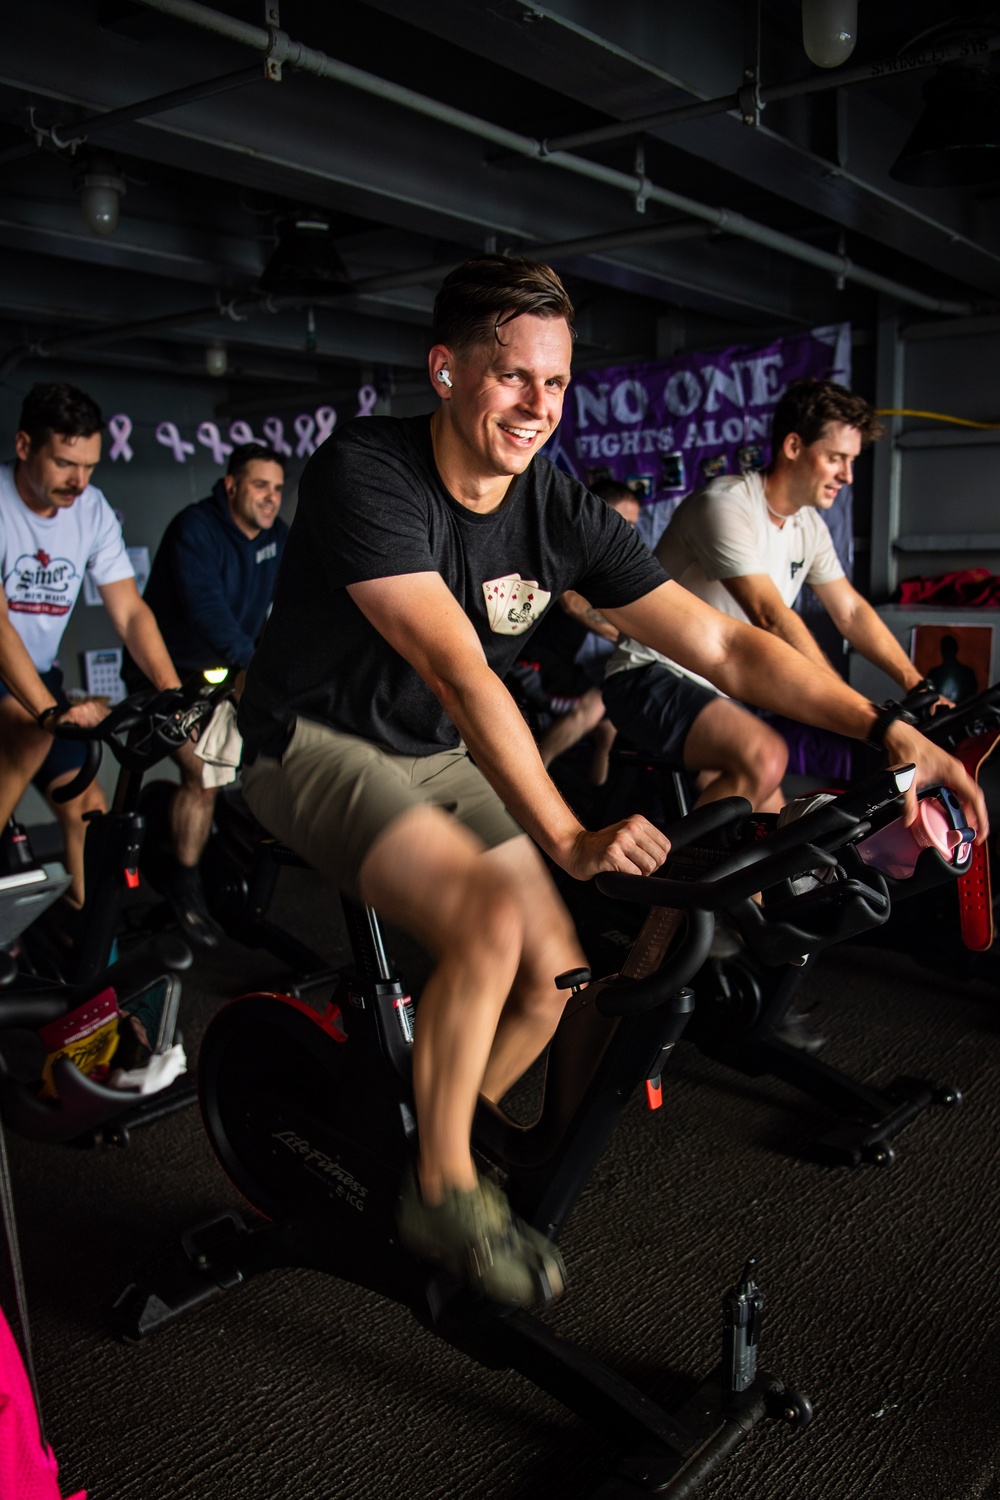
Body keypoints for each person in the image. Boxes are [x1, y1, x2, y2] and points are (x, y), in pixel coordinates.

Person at [236, 257, 986, 1310]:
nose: (537, 405)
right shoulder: (368, 469)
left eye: (554, 381)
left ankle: (410, 1139)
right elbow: (458, 671)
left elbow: (723, 648)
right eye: (510, 377)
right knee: (495, 917)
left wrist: (891, 729)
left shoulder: (555, 505)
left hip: (430, 747)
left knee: (553, 981)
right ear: (445, 371)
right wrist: (567, 833)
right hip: (304, 740)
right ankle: (437, 1190)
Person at [603, 378, 938, 812]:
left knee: (773, 831)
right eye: (836, 458)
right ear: (794, 446)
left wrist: (918, 685)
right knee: (766, 756)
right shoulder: (725, 505)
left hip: (716, 690)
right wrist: (862, 717)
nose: (848, 476)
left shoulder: (808, 528)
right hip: (646, 676)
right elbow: (770, 616)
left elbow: (852, 612)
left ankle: (724, 876)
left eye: (851, 461)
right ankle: (684, 877)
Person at [0, 383, 180, 907]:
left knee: (87, 806)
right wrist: (50, 712)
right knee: (30, 740)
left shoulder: (92, 508)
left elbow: (129, 610)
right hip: (12, 671)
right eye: (63, 463)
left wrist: (172, 694)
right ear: (24, 445)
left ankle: (89, 952)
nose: (78, 481)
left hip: (38, 671)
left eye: (90, 466)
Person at [122, 443, 287, 946]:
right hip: (168, 674)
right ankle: (185, 884)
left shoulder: (277, 537)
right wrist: (258, 666)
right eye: (261, 485)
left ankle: (202, 844)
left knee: (266, 762)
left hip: (226, 671)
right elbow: (206, 612)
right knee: (203, 772)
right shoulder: (195, 530)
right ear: (232, 485)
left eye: (279, 489)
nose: (272, 498)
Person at [511, 478, 640, 782]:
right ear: (599, 513)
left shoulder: (602, 563)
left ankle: (598, 808)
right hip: (528, 662)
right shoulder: (567, 546)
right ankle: (530, 783)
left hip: (557, 665)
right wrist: (624, 635)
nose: (630, 532)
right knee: (595, 702)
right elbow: (571, 603)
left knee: (607, 728)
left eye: (634, 524)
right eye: (625, 522)